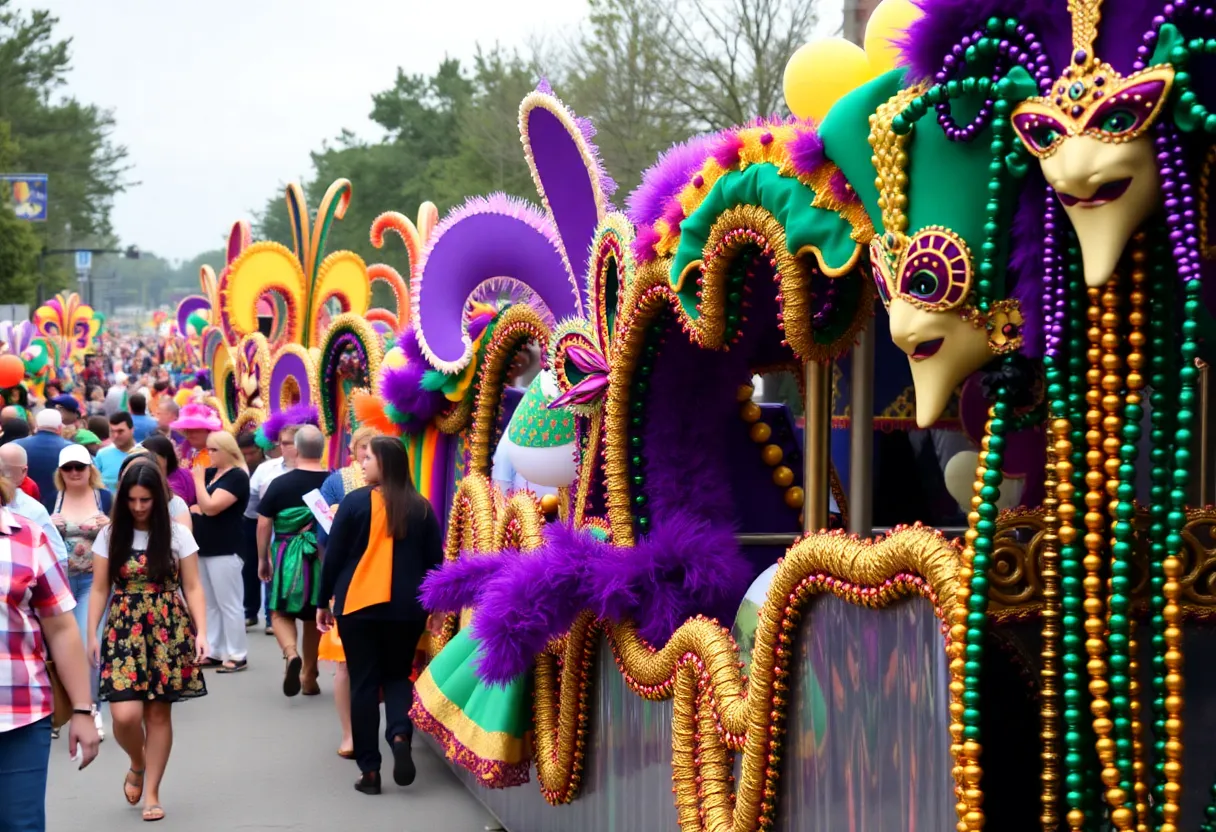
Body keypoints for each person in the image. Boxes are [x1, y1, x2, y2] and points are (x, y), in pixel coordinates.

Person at [319, 437, 443, 794]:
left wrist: (322, 602)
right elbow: (435, 563)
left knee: (363, 684)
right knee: (397, 677)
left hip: (358, 607)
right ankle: (400, 735)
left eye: (368, 457)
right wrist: (436, 607)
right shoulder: (421, 507)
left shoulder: (355, 502)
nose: (362, 463)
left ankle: (370, 771)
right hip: (407, 610)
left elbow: (335, 556)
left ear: (384, 463)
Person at [87, 461, 207, 823]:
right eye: (132, 500)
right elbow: (98, 588)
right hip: (124, 625)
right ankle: (137, 762)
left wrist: (202, 631)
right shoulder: (109, 536)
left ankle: (152, 791)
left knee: (158, 713)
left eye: (146, 500)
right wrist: (92, 631)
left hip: (168, 627)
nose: (138, 507)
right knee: (125, 714)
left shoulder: (176, 535)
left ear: (159, 499)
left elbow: (193, 586)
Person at [0, 478, 101, 830]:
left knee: (21, 823)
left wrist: (82, 710)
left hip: (21, 715)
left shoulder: (27, 537)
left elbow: (61, 628)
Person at [316, 426, 378, 758]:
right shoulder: (337, 483)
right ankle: (349, 733)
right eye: (364, 450)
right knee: (344, 663)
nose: (368, 457)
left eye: (375, 451)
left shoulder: (396, 489)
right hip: (349, 584)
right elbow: (323, 538)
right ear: (353, 451)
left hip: (385, 585)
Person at [258, 425, 329, 697]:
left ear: (297, 449)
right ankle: (309, 675)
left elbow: (264, 524)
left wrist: (263, 558)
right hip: (320, 556)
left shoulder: (279, 484)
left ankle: (290, 654)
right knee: (315, 616)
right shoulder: (333, 481)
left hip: (286, 554)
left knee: (279, 612)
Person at [50, 443, 113, 735]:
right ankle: (62, 708)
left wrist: (111, 525)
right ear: (61, 473)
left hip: (93, 582)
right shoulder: (53, 499)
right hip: (59, 583)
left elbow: (128, 535)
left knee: (90, 644)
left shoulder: (105, 498)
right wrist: (47, 526)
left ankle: (91, 709)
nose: (75, 472)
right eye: (68, 468)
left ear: (91, 469)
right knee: (60, 646)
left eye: (80, 467)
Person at [190, 431, 250, 673]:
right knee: (211, 603)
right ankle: (214, 650)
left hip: (226, 548)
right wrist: (201, 504)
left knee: (229, 603)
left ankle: (237, 653)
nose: (209, 454)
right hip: (205, 546)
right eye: (208, 449)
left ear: (227, 450)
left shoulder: (237, 477)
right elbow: (197, 505)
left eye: (214, 450)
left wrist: (198, 483)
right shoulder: (214, 475)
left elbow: (211, 507)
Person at [246, 425, 293, 634]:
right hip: (275, 530)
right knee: (271, 570)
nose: (284, 447)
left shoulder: (316, 470)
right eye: (282, 443)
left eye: (290, 443)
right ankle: (271, 616)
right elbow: (252, 500)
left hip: (304, 533)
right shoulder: (266, 470)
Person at [0, 444, 68, 566]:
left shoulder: (33, 510)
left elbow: (58, 557)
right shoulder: (33, 509)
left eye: (7, 471)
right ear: (24, 471)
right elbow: (58, 558)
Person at [15, 409, 71, 513]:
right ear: (59, 428)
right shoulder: (72, 449)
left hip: (20, 511)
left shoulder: (14, 447)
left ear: (36, 426)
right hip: (60, 511)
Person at [236, 432, 265, 627]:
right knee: (249, 566)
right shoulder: (238, 469)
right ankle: (250, 610)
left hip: (268, 519)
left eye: (252, 453)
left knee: (268, 564)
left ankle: (272, 615)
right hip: (247, 521)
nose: (248, 458)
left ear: (261, 450)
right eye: (244, 454)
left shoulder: (269, 467)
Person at [142, 434, 196, 506]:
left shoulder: (184, 475)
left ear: (166, 457)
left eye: (152, 456)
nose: (148, 459)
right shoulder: (143, 478)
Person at [95, 412, 137, 491]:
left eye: (120, 431)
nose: (115, 436)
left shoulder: (142, 454)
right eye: (112, 431)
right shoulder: (102, 454)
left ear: (132, 430)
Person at [170, 403, 220, 469]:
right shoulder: (186, 448)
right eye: (187, 430)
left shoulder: (216, 455)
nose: (190, 434)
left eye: (196, 430)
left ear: (208, 431)